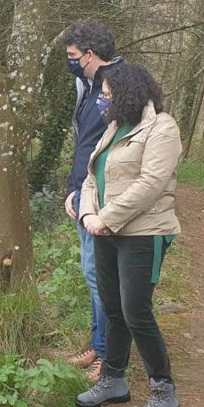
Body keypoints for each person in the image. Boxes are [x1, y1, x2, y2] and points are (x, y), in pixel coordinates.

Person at [72, 62, 182, 407]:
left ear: (128, 93)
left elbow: (151, 182)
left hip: (143, 234)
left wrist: (108, 218)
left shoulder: (161, 128)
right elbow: (92, 177)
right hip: (104, 232)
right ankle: (114, 380)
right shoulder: (115, 128)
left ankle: (163, 390)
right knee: (112, 306)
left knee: (137, 311)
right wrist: (90, 216)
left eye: (107, 95)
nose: (103, 102)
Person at [60, 21, 124, 382]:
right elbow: (84, 143)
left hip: (101, 195)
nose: (69, 62)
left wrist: (89, 191)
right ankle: (98, 345)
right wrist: (73, 187)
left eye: (72, 56)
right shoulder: (88, 84)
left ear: (89, 53)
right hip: (83, 191)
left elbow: (115, 145)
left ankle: (108, 357)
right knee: (92, 274)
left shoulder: (117, 84)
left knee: (101, 276)